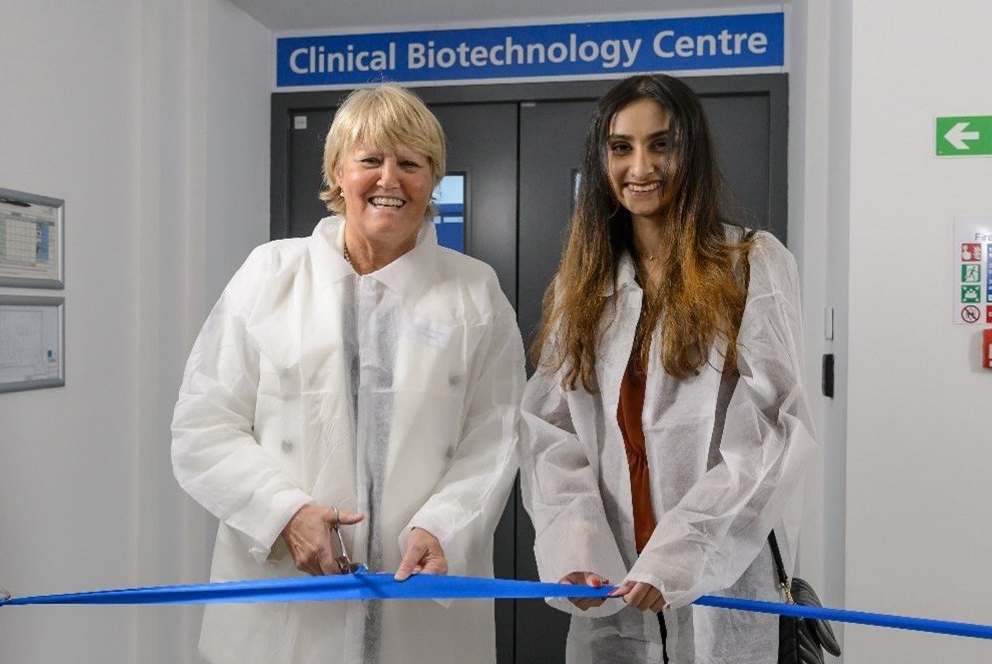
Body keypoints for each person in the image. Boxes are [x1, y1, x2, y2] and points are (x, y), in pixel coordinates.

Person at [171, 84, 524, 664]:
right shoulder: (269, 276)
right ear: (338, 172)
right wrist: (284, 512)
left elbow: (499, 432)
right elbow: (204, 425)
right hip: (282, 605)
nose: (390, 179)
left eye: (410, 163)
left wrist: (444, 526)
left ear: (433, 179)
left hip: (420, 603)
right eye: (370, 160)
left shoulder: (473, 292)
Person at [519, 74, 817, 663]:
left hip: (720, 572)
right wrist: (575, 547)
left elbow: (771, 430)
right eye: (621, 147)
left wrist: (682, 552)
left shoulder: (751, 263)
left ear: (692, 152)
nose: (641, 166)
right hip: (614, 584)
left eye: (662, 144)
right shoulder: (579, 287)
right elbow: (551, 433)